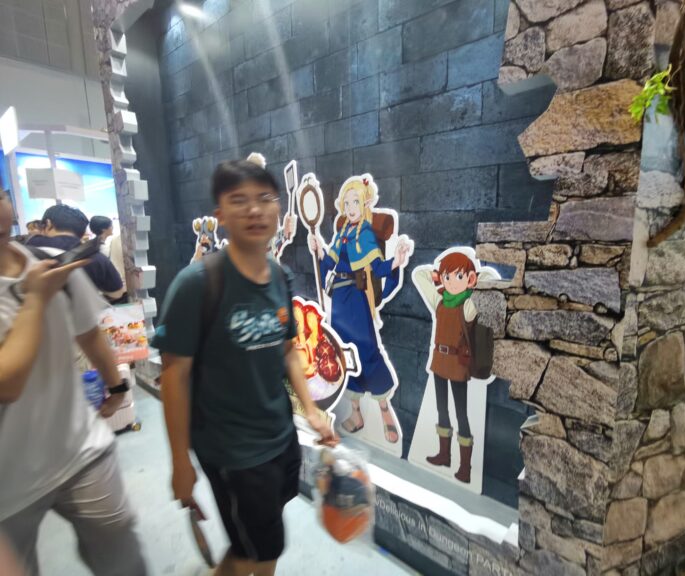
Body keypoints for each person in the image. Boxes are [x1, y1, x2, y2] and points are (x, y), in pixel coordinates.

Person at [154, 153, 336, 576]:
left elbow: (287, 351)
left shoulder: (278, 276)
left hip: (280, 437)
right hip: (232, 452)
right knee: (264, 550)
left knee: (248, 543)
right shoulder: (196, 284)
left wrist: (311, 410)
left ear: (278, 208)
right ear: (219, 214)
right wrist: (180, 463)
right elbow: (174, 377)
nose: (254, 210)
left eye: (265, 198)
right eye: (239, 200)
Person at [0, 190, 147, 575]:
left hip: (80, 448)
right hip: (7, 485)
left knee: (122, 555)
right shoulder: (48, 275)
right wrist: (36, 299)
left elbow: (88, 330)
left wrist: (117, 387)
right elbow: (7, 383)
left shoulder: (48, 262)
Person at [308, 175, 412, 444]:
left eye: (355, 201)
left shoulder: (364, 233)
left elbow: (377, 268)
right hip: (339, 302)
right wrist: (319, 249)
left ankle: (384, 409)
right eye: (347, 202)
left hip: (357, 299)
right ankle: (356, 414)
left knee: (367, 351)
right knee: (344, 354)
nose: (351, 207)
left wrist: (396, 262)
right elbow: (328, 264)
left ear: (364, 203)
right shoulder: (342, 233)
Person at [412, 251, 482, 483]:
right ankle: (445, 455)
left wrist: (473, 279)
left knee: (461, 413)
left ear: (469, 279)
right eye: (447, 277)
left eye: (458, 276)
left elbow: (489, 281)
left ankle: (465, 467)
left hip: (458, 363)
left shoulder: (468, 305)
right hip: (440, 361)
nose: (452, 282)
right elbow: (420, 276)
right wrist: (437, 275)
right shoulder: (440, 301)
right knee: (442, 409)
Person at [28, 205, 126, 303]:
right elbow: (117, 293)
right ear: (82, 230)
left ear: (48, 224)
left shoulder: (27, 252)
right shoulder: (96, 257)